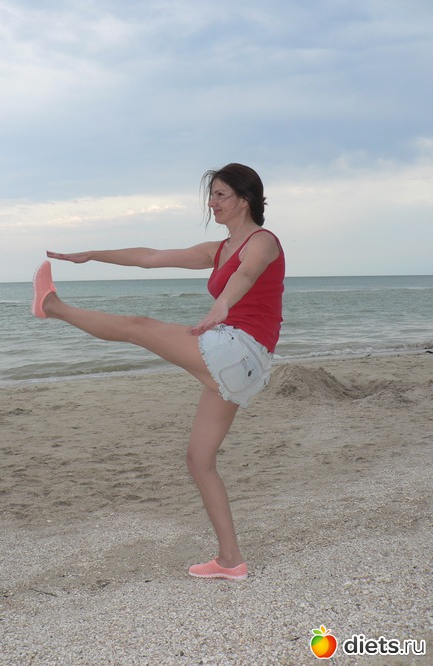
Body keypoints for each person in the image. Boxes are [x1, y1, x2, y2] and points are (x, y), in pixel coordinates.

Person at [31, 163, 285, 581]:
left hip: (240, 348)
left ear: (245, 199)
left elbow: (247, 273)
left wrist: (221, 306)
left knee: (139, 326)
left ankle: (52, 306)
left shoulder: (263, 241)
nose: (212, 203)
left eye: (220, 194)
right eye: (211, 195)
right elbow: (149, 258)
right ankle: (230, 560)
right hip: (241, 362)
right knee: (199, 460)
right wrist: (92, 254)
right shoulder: (218, 249)